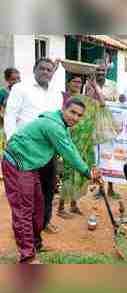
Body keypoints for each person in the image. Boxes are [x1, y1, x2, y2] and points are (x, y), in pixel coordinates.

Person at [2, 98, 102, 263]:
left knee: (39, 209)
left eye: (79, 115)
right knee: (24, 211)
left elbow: (70, 147)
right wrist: (87, 173)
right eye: (72, 112)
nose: (75, 118)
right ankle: (28, 257)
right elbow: (68, 152)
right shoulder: (53, 126)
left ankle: (34, 245)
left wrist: (89, 169)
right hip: (17, 163)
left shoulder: (61, 125)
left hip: (30, 165)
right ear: (63, 109)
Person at [5, 58, 63, 234]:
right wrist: (12, 141)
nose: (46, 72)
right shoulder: (20, 88)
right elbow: (10, 115)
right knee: (26, 194)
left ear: (53, 73)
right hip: (25, 150)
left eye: (49, 69)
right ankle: (26, 230)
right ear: (34, 70)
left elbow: (58, 121)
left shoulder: (56, 93)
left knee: (48, 189)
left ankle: (43, 223)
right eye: (42, 68)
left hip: (48, 150)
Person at [58, 75, 117, 219]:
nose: (92, 91)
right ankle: (60, 207)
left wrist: (96, 85)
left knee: (81, 177)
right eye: (89, 88)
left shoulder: (95, 104)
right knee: (68, 176)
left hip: (86, 146)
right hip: (72, 144)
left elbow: (103, 104)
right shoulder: (79, 102)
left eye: (94, 89)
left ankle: (73, 205)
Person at [86, 61, 120, 199]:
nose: (100, 73)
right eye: (98, 70)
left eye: (102, 70)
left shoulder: (113, 85)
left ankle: (111, 188)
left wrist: (100, 96)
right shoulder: (88, 84)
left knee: (109, 157)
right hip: (94, 125)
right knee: (97, 159)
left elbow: (115, 104)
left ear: (106, 71)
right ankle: (101, 188)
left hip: (107, 126)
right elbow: (87, 101)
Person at [0, 68, 20, 171]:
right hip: (5, 127)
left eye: (18, 79)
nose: (16, 81)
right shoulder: (3, 93)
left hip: (20, 127)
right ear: (7, 80)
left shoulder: (23, 92)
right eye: (13, 79)